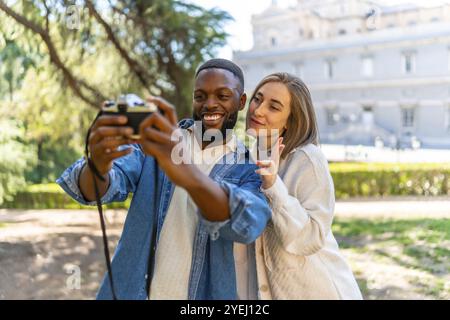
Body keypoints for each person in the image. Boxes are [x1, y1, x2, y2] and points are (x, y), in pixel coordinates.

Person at [57, 59, 271, 300]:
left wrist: (185, 172)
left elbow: (249, 223)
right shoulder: (156, 144)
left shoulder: (248, 167)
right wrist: (97, 164)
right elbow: (95, 188)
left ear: (241, 101)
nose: (210, 104)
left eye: (222, 96)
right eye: (200, 96)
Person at [246, 72, 362, 299]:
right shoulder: (251, 157)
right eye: (258, 99)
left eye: (274, 106)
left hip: (320, 291)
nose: (258, 110)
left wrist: (273, 186)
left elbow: (312, 237)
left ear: (291, 120)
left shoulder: (308, 159)